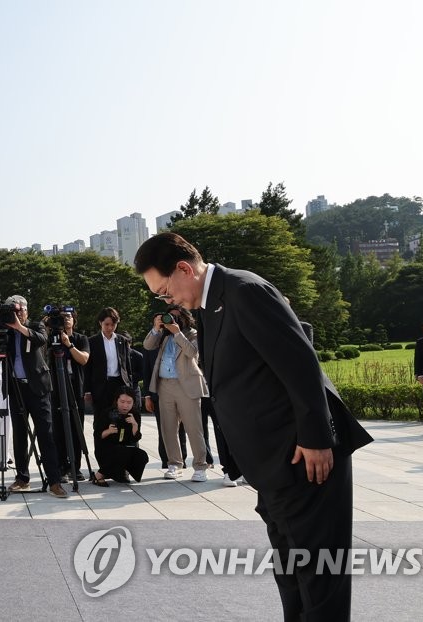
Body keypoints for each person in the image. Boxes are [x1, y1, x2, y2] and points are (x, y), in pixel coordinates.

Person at [134, 232, 372, 622]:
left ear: (183, 268)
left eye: (164, 291)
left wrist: (316, 438)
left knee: (319, 578)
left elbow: (301, 363)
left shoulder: (244, 291)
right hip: (274, 466)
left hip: (303, 459)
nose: (167, 300)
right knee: (292, 575)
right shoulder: (212, 305)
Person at [0, 295, 69, 498]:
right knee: (20, 435)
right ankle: (22, 478)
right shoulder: (4, 329)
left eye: (21, 310)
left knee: (45, 435)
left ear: (26, 311)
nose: (18, 314)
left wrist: (19, 327)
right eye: (15, 311)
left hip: (38, 388)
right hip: (15, 389)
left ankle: (54, 481)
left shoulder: (36, 325)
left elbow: (41, 339)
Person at [143, 306, 210, 482]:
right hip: (165, 385)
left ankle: (200, 466)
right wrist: (156, 328)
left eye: (175, 317)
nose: (171, 320)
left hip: (186, 385)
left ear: (185, 318)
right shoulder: (163, 336)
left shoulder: (193, 333)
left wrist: (178, 333)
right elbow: (147, 345)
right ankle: (174, 464)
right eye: (169, 317)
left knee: (193, 428)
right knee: (168, 427)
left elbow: (193, 353)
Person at [83, 307, 138, 480]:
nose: (110, 327)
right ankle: (103, 467)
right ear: (100, 323)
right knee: (101, 424)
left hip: (119, 385)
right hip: (100, 386)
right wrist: (87, 390)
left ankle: (126, 467)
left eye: (113, 324)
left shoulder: (121, 340)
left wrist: (129, 386)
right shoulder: (92, 341)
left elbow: (127, 366)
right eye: (107, 324)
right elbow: (88, 368)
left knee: (125, 424)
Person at [50, 310, 90, 481]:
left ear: (74, 320)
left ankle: (75, 466)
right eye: (62, 318)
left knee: (76, 428)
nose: (66, 320)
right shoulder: (51, 338)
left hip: (75, 387)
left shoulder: (81, 339)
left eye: (69, 317)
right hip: (56, 388)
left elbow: (83, 359)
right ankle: (60, 467)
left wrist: (69, 344)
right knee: (57, 429)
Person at [91, 386, 149, 485]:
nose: (125, 405)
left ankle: (121, 471)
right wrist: (108, 431)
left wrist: (134, 425)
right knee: (121, 452)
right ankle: (99, 475)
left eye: (129, 402)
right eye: (122, 402)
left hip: (123, 449)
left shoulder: (134, 415)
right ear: (116, 401)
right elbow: (97, 435)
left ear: (133, 402)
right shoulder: (107, 413)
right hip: (105, 450)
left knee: (142, 455)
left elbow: (136, 438)